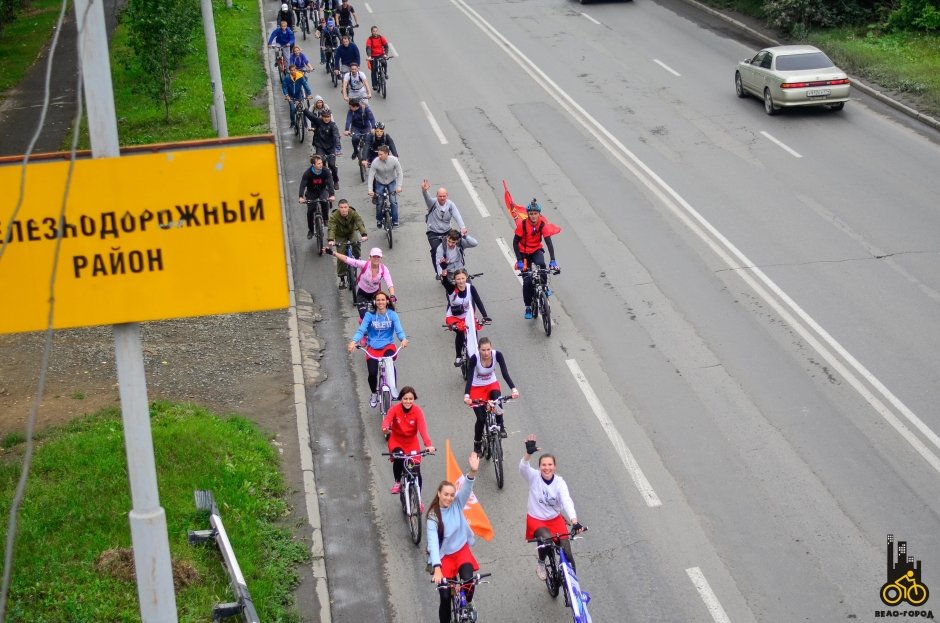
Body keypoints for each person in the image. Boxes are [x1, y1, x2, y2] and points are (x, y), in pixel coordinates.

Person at [427, 452, 482, 623]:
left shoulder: (458, 503)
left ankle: (467, 603)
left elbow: (466, 488)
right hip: (444, 558)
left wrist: (472, 471)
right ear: (439, 494)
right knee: (444, 597)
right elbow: (433, 544)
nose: (449, 498)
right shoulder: (433, 516)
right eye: (446, 494)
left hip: (461, 550)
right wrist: (436, 567)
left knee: (469, 582)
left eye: (452, 495)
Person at [520, 434, 584, 577]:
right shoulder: (534, 477)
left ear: (554, 467)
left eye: (550, 465)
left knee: (568, 554)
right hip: (537, 520)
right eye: (544, 465)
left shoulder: (560, 483)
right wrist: (528, 454)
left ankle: (573, 591)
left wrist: (574, 521)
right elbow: (523, 468)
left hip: (555, 519)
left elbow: (567, 500)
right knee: (547, 540)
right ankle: (541, 563)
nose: (547, 468)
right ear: (539, 467)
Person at [348, 291, 407, 408]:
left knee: (389, 361)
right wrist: (353, 341)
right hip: (372, 348)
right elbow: (361, 330)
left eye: (383, 300)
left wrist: (403, 339)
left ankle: (393, 388)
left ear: (387, 301)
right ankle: (374, 394)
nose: (381, 302)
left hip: (388, 346)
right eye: (378, 300)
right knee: (372, 373)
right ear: (374, 302)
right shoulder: (369, 316)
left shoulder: (392, 315)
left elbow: (399, 330)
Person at [463, 337, 517, 451]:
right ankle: (477, 444)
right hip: (476, 388)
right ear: (479, 350)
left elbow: (505, 374)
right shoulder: (474, 359)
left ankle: (500, 425)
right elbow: (470, 378)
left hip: (491, 384)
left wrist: (513, 389)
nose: (486, 353)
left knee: (497, 399)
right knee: (481, 419)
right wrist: (467, 395)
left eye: (488, 349)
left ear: (491, 348)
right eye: (483, 350)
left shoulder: (497, 355)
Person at [381, 386, 435, 494]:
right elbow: (387, 420)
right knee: (399, 457)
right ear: (401, 399)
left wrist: (428, 445)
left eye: (411, 399)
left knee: (416, 470)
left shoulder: (417, 411)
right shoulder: (394, 409)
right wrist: (385, 428)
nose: (408, 401)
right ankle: (397, 482)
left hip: (412, 443)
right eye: (405, 398)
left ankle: (418, 499)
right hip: (396, 441)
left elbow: (422, 429)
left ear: (414, 399)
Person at [513, 200, 559, 319]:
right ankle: (528, 306)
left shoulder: (542, 224)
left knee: (541, 265)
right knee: (527, 281)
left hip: (536, 250)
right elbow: (515, 243)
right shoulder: (522, 225)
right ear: (528, 214)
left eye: (535, 213)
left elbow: (549, 243)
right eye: (531, 213)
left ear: (539, 214)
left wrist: (553, 260)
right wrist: (519, 260)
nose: (533, 216)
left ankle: (544, 286)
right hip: (523, 253)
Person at [326, 245, 394, 317]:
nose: (376, 258)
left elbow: (389, 283)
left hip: (375, 294)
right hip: (362, 294)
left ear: (381, 258)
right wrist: (333, 253)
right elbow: (348, 259)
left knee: (380, 314)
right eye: (374, 256)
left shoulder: (384, 269)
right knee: (363, 316)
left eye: (378, 257)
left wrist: (392, 295)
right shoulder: (364, 264)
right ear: (370, 257)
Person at [421, 179, 468, 279]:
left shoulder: (450, 205)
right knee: (436, 250)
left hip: (446, 231)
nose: (442, 198)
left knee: (454, 246)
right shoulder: (432, 203)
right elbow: (426, 197)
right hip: (433, 232)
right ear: (437, 196)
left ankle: (456, 267)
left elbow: (457, 215)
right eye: (440, 196)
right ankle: (438, 272)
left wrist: (462, 227)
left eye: (444, 196)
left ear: (447, 196)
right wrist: (424, 191)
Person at [443, 268, 489, 366]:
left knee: (474, 334)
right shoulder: (452, 289)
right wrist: (443, 275)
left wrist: (485, 316)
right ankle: (458, 356)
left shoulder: (470, 287)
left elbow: (478, 301)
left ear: (466, 278)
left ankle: (477, 355)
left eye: (463, 278)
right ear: (455, 280)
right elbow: (445, 283)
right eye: (458, 279)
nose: (461, 281)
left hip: (468, 316)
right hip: (454, 317)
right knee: (460, 332)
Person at [326, 199, 368, 287]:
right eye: (341, 207)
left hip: (351, 232)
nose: (344, 209)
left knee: (356, 242)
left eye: (345, 207)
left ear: (348, 207)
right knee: (340, 255)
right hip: (340, 236)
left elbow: (359, 222)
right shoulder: (334, 216)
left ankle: (357, 257)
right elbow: (332, 228)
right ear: (338, 208)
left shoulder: (352, 213)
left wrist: (363, 234)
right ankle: (342, 278)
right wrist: (331, 239)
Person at [298, 155, 335, 238]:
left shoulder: (326, 171)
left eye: (321, 163)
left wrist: (332, 195)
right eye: (318, 164)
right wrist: (300, 196)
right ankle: (311, 230)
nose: (321, 165)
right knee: (310, 211)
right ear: (313, 165)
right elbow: (302, 185)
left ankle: (325, 219)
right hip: (311, 192)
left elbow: (330, 182)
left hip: (322, 190)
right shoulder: (307, 173)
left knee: (324, 202)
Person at [366, 145, 403, 229]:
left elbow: (400, 173)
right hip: (380, 183)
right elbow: (371, 176)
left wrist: (399, 186)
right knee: (379, 203)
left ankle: (395, 220)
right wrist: (370, 190)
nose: (379, 156)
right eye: (378, 154)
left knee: (393, 201)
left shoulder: (394, 160)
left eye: (381, 154)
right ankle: (379, 220)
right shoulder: (375, 162)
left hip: (391, 182)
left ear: (387, 154)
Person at [311, 108, 342, 188]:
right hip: (320, 146)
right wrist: (304, 109)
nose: (326, 118)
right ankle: (322, 178)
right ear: (322, 117)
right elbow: (311, 116)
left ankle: (335, 181)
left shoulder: (333, 125)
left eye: (328, 117)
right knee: (321, 162)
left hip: (331, 147)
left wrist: (338, 148)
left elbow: (336, 137)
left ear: (330, 117)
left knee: (332, 165)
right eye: (324, 116)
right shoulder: (319, 122)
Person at [364, 25, 389, 90]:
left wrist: (386, 54)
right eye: (374, 31)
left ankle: (385, 74)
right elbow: (368, 48)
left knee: (384, 63)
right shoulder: (369, 39)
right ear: (371, 32)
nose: (375, 32)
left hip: (381, 55)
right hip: (373, 56)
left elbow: (386, 46)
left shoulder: (381, 38)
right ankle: (374, 85)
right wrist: (369, 56)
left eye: (376, 31)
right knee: (374, 69)